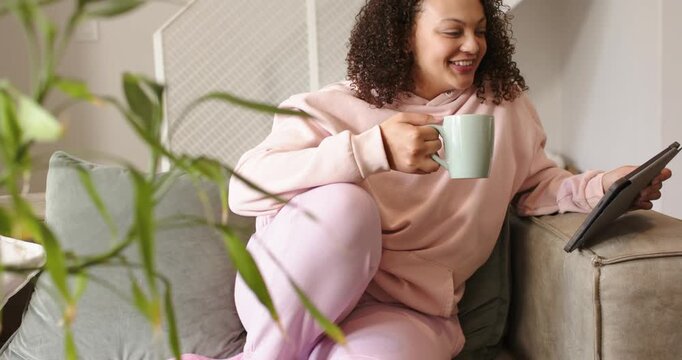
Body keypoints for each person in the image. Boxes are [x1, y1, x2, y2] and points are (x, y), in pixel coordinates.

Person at [182, 0, 672, 359]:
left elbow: (533, 187)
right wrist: (369, 151)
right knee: (347, 207)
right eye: (453, 31)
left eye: (481, 31)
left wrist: (604, 187)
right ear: (403, 36)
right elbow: (245, 189)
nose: (473, 46)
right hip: (294, 293)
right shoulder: (332, 106)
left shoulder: (503, 108)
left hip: (404, 313)